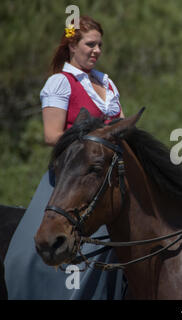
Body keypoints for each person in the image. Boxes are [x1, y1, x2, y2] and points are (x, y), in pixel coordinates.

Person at [4, 16, 124, 299]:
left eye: (99, 46)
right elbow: (51, 134)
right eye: (90, 44)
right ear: (72, 45)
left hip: (107, 176)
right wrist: (93, 146)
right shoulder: (60, 82)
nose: (96, 50)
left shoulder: (106, 82)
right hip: (71, 176)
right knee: (28, 253)